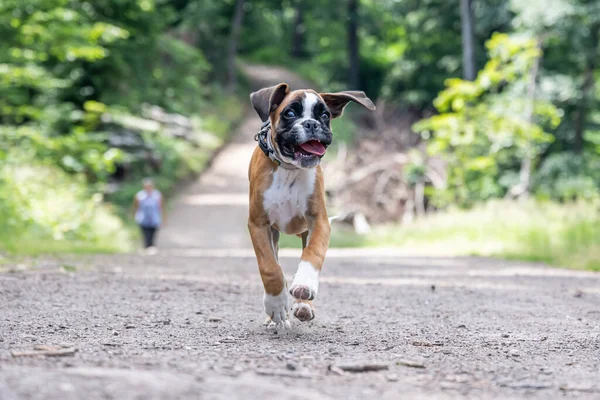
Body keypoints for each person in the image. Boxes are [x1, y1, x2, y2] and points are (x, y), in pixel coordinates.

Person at [133, 178, 165, 254]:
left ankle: (151, 247)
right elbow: (136, 206)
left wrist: (163, 218)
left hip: (154, 218)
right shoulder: (140, 195)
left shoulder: (157, 195)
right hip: (143, 218)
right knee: (146, 234)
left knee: (153, 233)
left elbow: (160, 207)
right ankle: (147, 247)